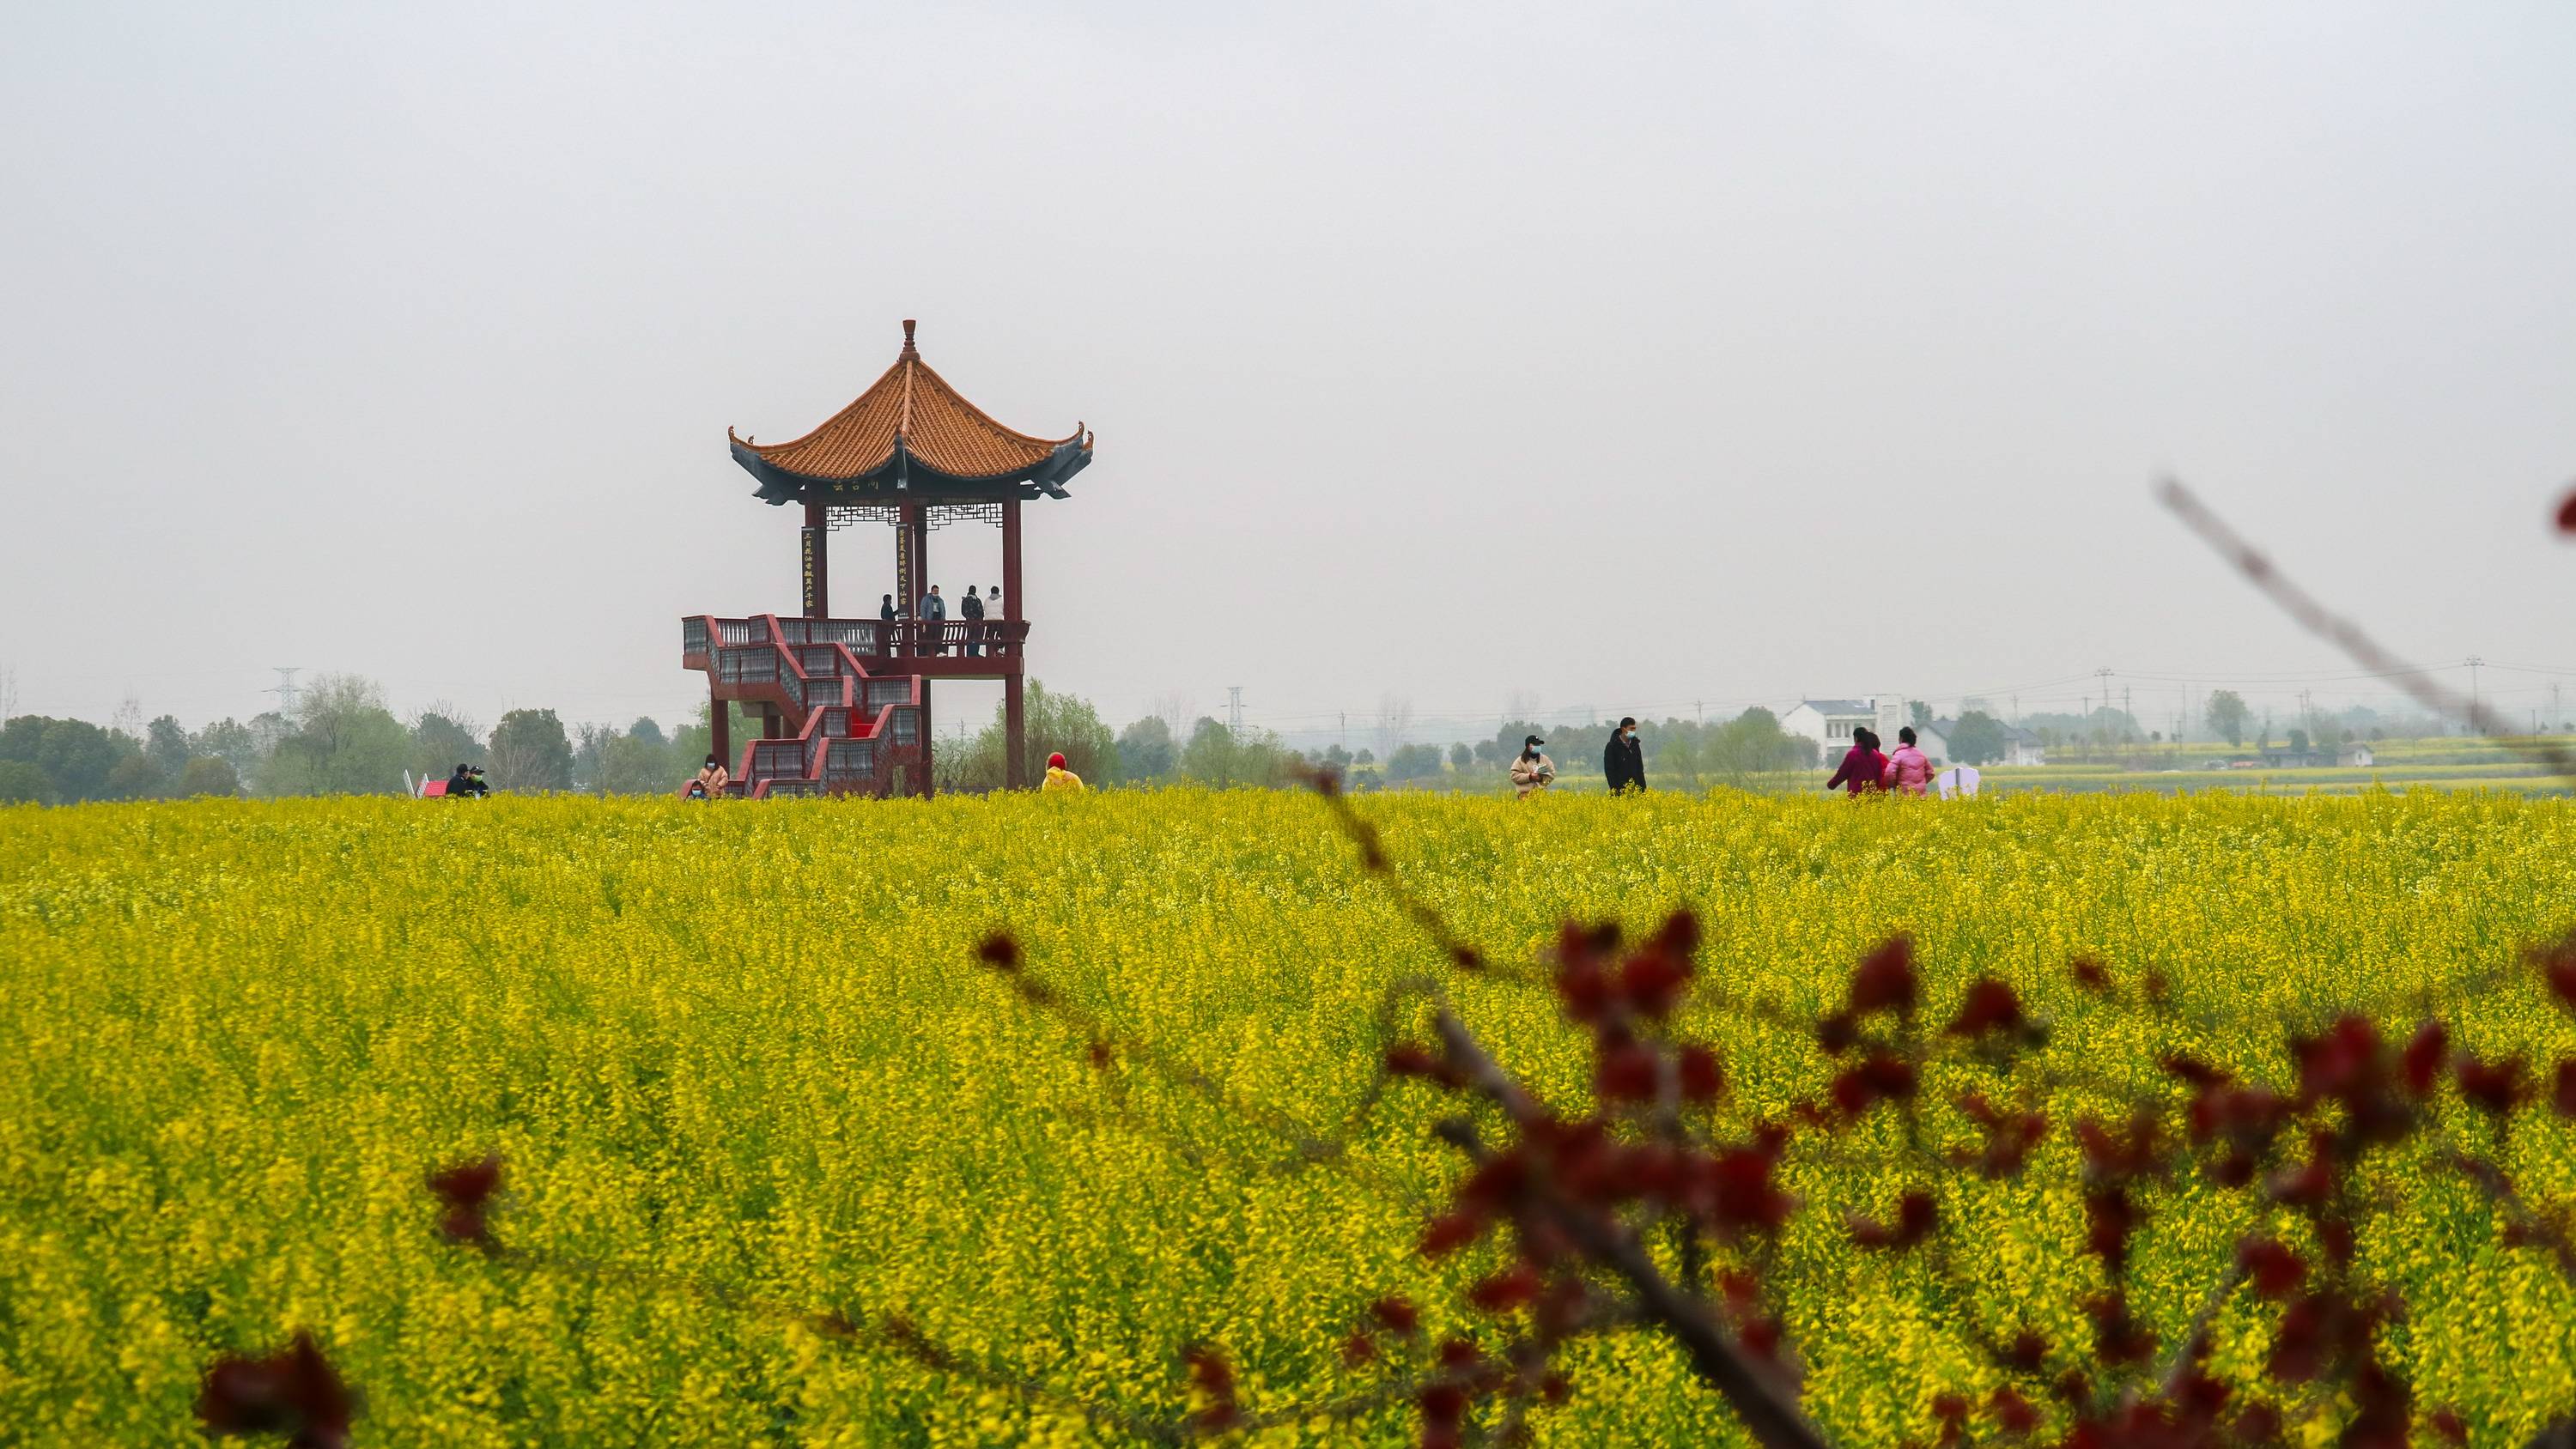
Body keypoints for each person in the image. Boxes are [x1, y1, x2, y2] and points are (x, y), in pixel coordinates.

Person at [1824, 728, 1887, 798]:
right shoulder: (1875, 754)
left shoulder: (1853, 754)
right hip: (1872, 795)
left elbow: (1842, 773)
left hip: (1856, 795)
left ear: (1856, 738)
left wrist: (1831, 785)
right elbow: (1878, 775)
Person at [1882, 726, 1934, 797]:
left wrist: (1893, 785)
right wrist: (1921, 783)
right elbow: (1931, 773)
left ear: (1901, 739)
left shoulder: (1899, 755)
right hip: (1921, 798)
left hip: (1904, 797)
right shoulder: (1920, 754)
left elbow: (1889, 773)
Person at [1604, 717, 1645, 794]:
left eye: (1634, 729)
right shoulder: (1612, 746)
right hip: (1620, 791)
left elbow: (1640, 769)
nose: (1633, 731)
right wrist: (1615, 790)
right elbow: (1609, 771)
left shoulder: (1635, 745)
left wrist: (1643, 790)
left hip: (1636, 791)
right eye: (1631, 729)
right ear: (1623, 729)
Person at [1510, 734, 1556, 798]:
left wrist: (1541, 778)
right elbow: (1514, 776)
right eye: (1535, 745)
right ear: (1528, 746)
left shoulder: (1545, 759)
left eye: (1538, 745)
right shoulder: (1520, 761)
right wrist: (1529, 777)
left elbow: (1552, 773)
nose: (1538, 746)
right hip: (1525, 796)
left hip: (1542, 795)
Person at [919, 584, 946, 655]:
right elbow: (923, 609)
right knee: (930, 636)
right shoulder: (926, 599)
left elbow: (943, 609)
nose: (936, 592)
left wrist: (943, 618)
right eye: (935, 590)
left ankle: (938, 651)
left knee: (938, 636)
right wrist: (924, 620)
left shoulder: (940, 600)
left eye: (937, 591)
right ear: (931, 591)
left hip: (938, 620)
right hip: (930, 620)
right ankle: (930, 652)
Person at [959, 585, 985, 657]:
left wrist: (969, 617)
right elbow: (981, 612)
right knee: (976, 637)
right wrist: (979, 618)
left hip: (969, 622)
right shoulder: (977, 600)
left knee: (970, 637)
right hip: (977, 622)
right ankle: (975, 652)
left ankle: (970, 653)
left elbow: (963, 612)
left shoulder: (965, 600)